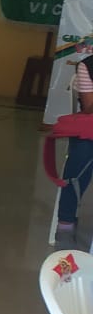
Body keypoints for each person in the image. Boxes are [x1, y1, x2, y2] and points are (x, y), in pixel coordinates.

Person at [56, 57, 93, 251]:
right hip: (90, 127)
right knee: (82, 152)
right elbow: (89, 108)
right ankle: (66, 222)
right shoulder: (87, 66)